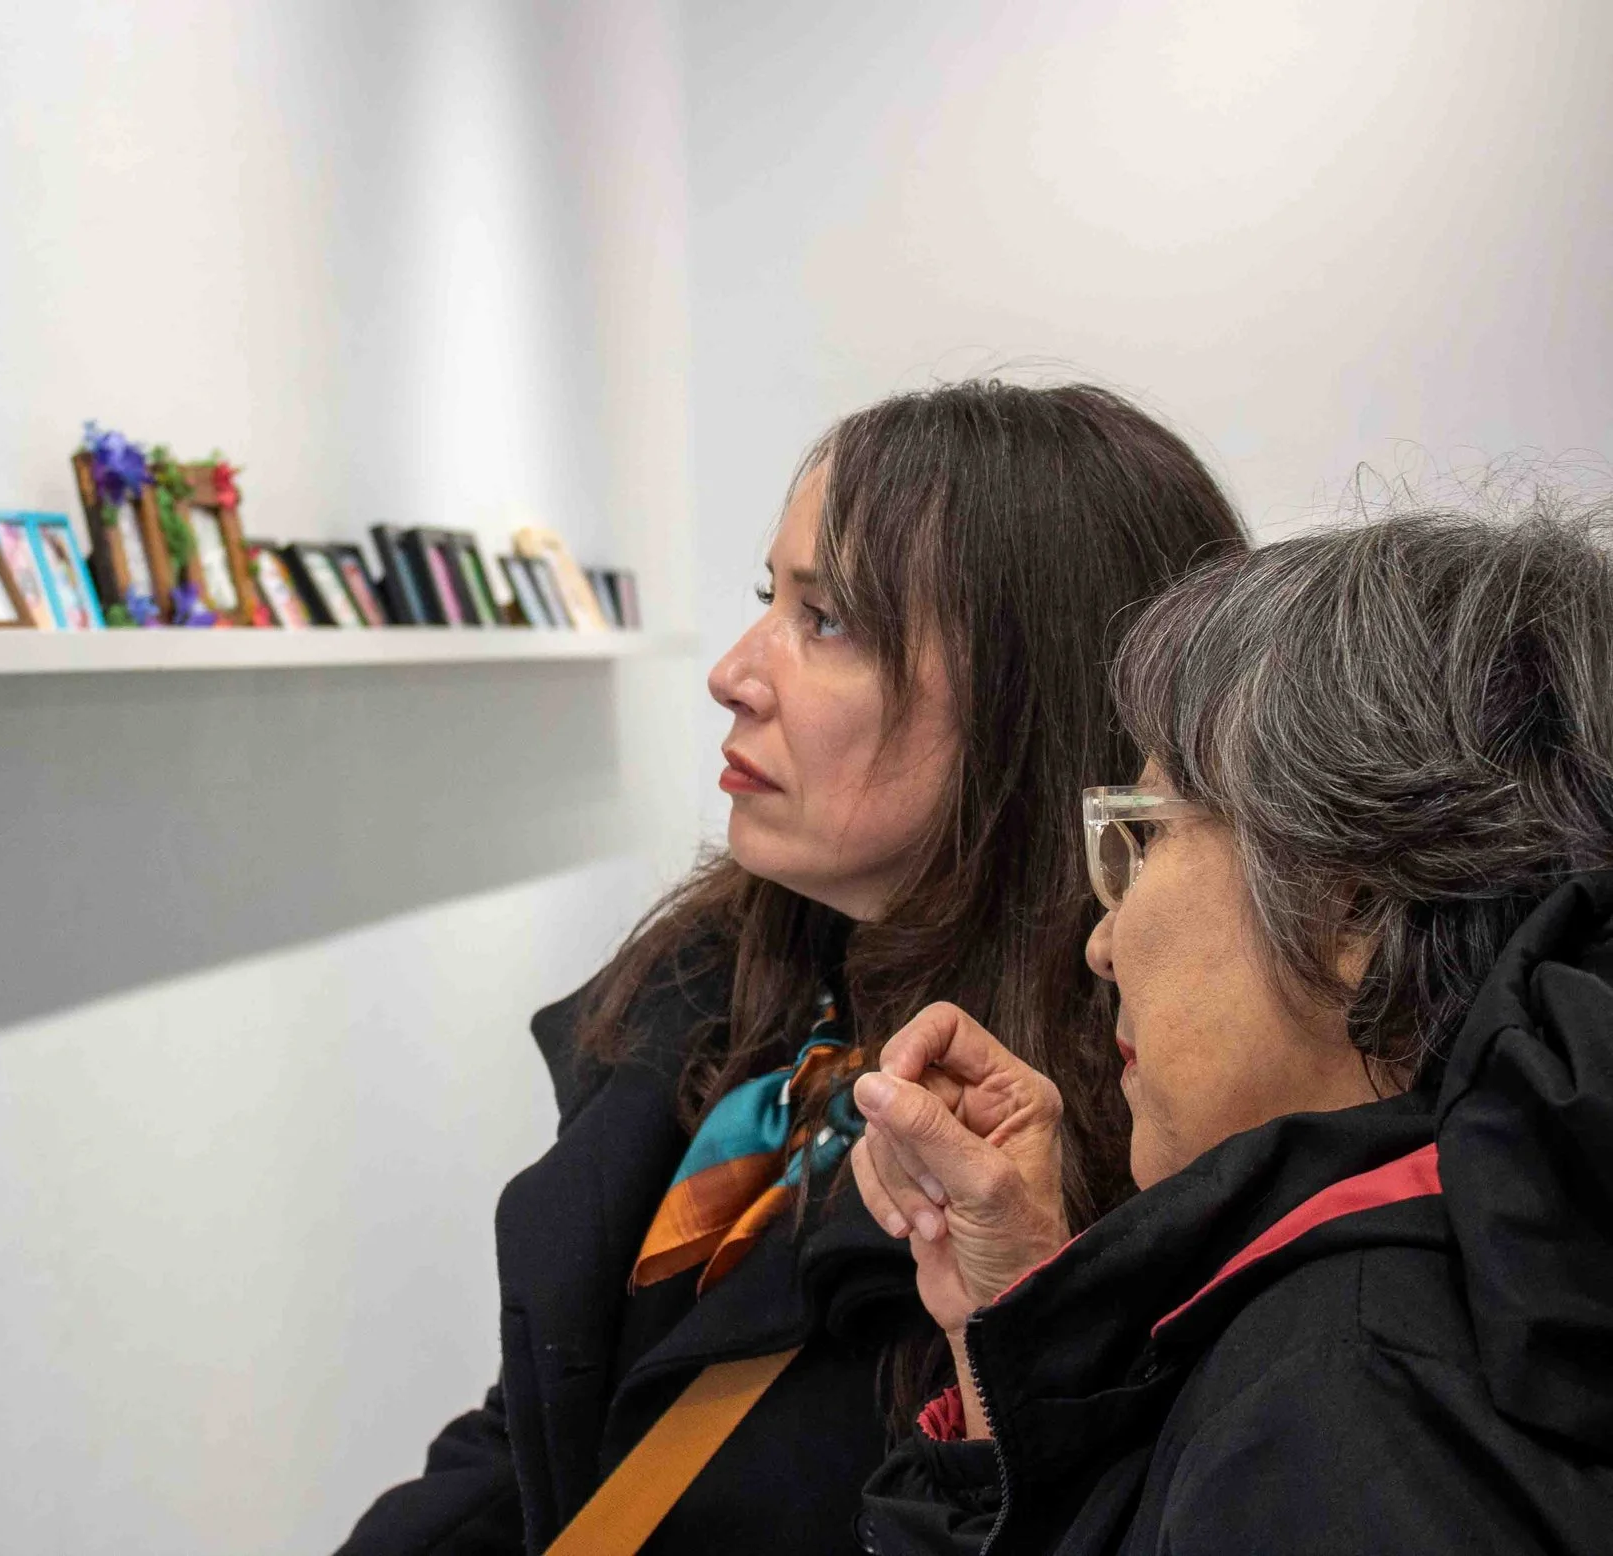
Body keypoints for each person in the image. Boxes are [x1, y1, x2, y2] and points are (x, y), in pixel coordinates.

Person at [335, 381, 1245, 1556]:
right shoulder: (722, 991)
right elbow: (553, 1437)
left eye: (829, 621)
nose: (732, 670)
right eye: (771, 598)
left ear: (1036, 699)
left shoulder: (1125, 1152)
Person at [850, 506, 1613, 1555]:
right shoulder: (1501, 1271)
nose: (1100, 944)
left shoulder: (1349, 1386)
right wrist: (1016, 1316)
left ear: (1349, 909)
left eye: (1148, 835)